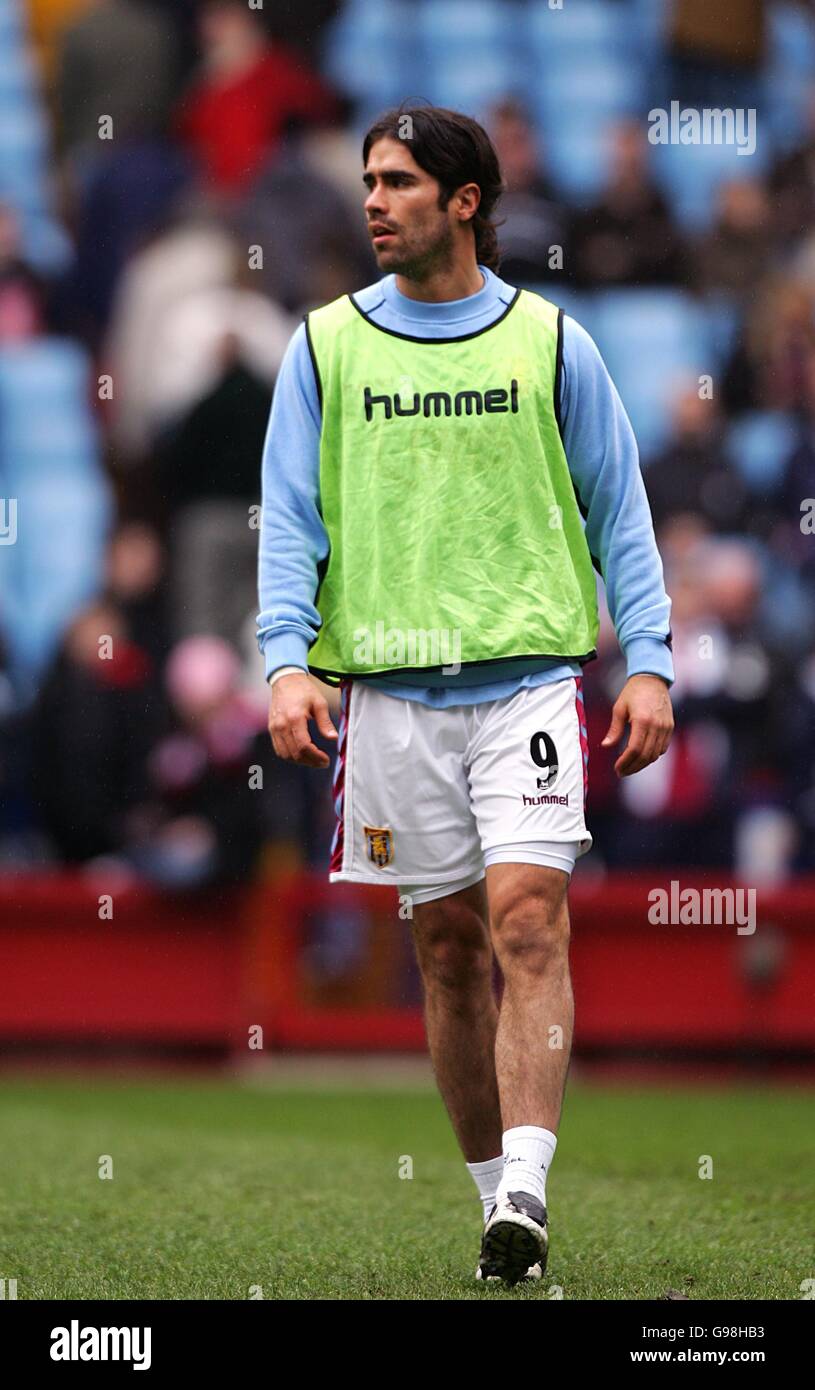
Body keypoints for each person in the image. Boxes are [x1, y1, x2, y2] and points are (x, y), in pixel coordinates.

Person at [256, 105, 675, 1287]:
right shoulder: (325, 346)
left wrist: (645, 656)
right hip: (387, 696)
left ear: (465, 201)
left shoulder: (549, 344)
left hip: (528, 686)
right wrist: (285, 657)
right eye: (367, 181)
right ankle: (497, 1206)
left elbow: (619, 510)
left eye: (397, 183)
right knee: (443, 951)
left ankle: (528, 1194)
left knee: (527, 919)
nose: (373, 201)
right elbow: (289, 518)